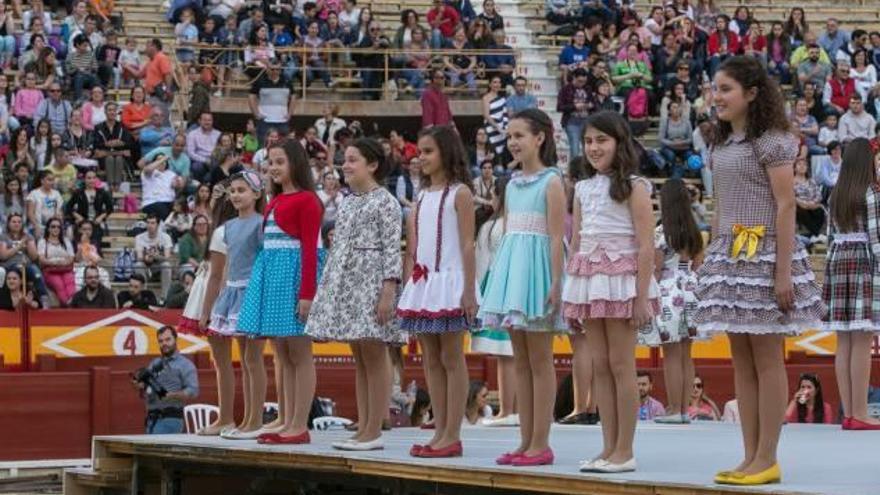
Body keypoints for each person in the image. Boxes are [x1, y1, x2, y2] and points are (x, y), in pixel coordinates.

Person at [693, 56, 824, 486]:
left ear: (751, 93)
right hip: (732, 254)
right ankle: (749, 455)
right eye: (715, 88)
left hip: (764, 252)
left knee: (767, 360)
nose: (717, 97)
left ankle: (767, 456)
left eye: (726, 89)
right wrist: (713, 255)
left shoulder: (772, 142)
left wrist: (782, 272)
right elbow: (720, 207)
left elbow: (786, 205)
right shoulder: (721, 142)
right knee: (741, 361)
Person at [562, 110, 659, 474]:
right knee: (600, 365)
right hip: (591, 279)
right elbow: (578, 243)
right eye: (588, 141)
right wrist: (573, 291)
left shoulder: (635, 186)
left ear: (619, 142)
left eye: (601, 140)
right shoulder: (583, 189)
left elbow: (646, 245)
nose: (593, 147)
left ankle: (625, 450)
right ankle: (607, 447)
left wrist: (639, 296)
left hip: (622, 281)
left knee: (621, 365)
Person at [479, 109, 566, 467]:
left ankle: (540, 442)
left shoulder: (553, 182)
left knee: (540, 360)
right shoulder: (512, 185)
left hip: (538, 273)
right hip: (512, 271)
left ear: (539, 138)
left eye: (520, 136)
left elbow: (557, 236)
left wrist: (556, 282)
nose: (513, 142)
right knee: (521, 361)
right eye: (510, 136)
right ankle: (525, 440)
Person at [307, 138, 405, 451]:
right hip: (348, 285)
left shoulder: (386, 201)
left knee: (375, 357)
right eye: (344, 160)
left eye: (352, 160)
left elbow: (393, 249)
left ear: (372, 164)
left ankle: (374, 430)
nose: (345, 165)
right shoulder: (347, 202)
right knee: (360, 359)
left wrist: (388, 291)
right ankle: (364, 425)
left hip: (373, 285)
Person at [238, 140, 325, 446]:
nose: (273, 168)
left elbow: (310, 252)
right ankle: (287, 419)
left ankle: (300, 424)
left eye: (279, 162)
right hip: (274, 280)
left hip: (294, 281)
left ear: (296, 164)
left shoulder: (308, 201)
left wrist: (307, 294)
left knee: (300, 354)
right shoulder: (273, 201)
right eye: (270, 162)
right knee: (283, 355)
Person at [397, 125, 476, 460]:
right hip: (425, 283)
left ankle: (452, 434)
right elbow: (415, 248)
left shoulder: (460, 193)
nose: (421, 158)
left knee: (451, 357)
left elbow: (467, 245)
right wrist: (409, 285)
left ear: (446, 152)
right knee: (430, 358)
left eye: (428, 151)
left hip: (452, 281)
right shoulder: (421, 196)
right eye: (420, 152)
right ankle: (440, 427)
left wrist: (469, 290)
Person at [203, 171, 268, 439]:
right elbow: (223, 269)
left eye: (242, 190)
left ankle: (254, 420)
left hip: (253, 292)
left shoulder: (261, 224)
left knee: (253, 358)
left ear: (256, 193)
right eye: (233, 191)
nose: (236, 195)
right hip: (233, 294)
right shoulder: (227, 228)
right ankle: (246, 421)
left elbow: (264, 261)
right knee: (244, 358)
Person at [636, 179, 704, 424]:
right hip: (690, 288)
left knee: (672, 353)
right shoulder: (695, 232)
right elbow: (698, 266)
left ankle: (674, 408)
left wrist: (643, 294)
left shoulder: (660, 232)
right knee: (687, 353)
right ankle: (685, 410)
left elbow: (656, 268)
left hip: (669, 288)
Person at [825, 138, 880, 430]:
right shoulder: (870, 194)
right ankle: (859, 412)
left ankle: (849, 412)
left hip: (838, 260)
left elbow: (829, 235)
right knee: (862, 339)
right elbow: (877, 241)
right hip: (862, 262)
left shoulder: (836, 194)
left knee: (844, 340)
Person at [470, 179, 517, 427]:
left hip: (498, 290)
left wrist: (478, 299)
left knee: (505, 355)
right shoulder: (520, 224)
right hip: (519, 289)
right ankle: (515, 409)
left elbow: (481, 265)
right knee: (518, 354)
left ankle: (507, 410)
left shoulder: (490, 227)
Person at [135, 326, 199, 434]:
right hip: (151, 419)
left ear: (175, 339)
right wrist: (140, 385)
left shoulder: (185, 364)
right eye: (161, 341)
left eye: (168, 339)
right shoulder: (154, 363)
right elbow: (146, 388)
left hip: (171, 418)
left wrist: (171, 395)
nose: (164, 343)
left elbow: (193, 391)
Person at [249, 60, 294, 144]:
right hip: (265, 121)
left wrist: (290, 113)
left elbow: (293, 97)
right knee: (263, 146)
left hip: (282, 121)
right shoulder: (260, 81)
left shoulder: (287, 81)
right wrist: (256, 113)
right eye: (272, 69)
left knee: (283, 146)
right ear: (267, 69)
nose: (275, 72)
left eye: (277, 69)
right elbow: (251, 96)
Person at [93, 101, 133, 189]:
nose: (112, 112)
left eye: (114, 110)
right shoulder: (98, 127)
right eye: (109, 110)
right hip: (104, 160)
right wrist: (116, 146)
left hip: (120, 159)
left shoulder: (122, 126)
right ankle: (110, 185)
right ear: (105, 112)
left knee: (118, 159)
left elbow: (128, 145)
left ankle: (117, 185)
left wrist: (106, 147)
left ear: (116, 112)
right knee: (110, 158)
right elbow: (97, 145)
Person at [38, 217, 76, 307]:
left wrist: (64, 263)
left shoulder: (66, 241)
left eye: (58, 227)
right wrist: (55, 263)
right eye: (53, 226)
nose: (56, 229)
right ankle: (68, 305)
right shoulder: (43, 242)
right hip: (50, 270)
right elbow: (41, 258)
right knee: (58, 284)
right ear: (48, 228)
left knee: (69, 282)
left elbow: (71, 257)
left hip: (65, 268)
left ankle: (73, 303)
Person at [134, 214, 174, 296]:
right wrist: (146, 258)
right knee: (138, 265)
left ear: (158, 225)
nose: (149, 225)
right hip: (146, 269)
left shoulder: (166, 237)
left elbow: (167, 258)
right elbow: (139, 257)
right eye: (148, 223)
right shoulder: (139, 237)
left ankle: (165, 297)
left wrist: (156, 256)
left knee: (166, 265)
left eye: (152, 223)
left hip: (159, 269)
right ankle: (143, 295)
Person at [140, 147, 184, 221]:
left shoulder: (171, 174)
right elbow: (148, 169)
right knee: (162, 209)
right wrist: (163, 159)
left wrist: (177, 184)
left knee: (179, 208)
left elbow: (180, 185)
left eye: (164, 161)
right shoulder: (149, 173)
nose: (162, 162)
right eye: (158, 160)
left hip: (170, 202)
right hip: (153, 202)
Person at [557, 68, 591, 159]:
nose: (582, 84)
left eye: (584, 81)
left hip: (586, 120)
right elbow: (559, 107)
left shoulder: (587, 88)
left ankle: (586, 170)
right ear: (574, 78)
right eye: (580, 81)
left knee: (587, 149)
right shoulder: (566, 89)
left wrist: (590, 105)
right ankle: (573, 171)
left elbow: (593, 103)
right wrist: (575, 107)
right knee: (574, 148)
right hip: (571, 121)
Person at [794, 157, 825, 242]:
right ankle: (817, 234)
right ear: (794, 167)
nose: (802, 166)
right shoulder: (791, 182)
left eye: (804, 165)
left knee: (820, 211)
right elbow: (793, 197)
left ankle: (813, 235)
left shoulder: (811, 181)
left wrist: (812, 203)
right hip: (800, 206)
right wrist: (804, 204)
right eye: (799, 164)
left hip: (812, 205)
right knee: (800, 211)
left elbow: (819, 195)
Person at [26, 170, 64, 238]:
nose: (52, 182)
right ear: (42, 181)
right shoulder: (34, 194)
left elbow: (59, 211)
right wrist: (36, 226)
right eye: (49, 180)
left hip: (53, 225)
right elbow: (30, 213)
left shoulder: (56, 193)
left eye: (53, 180)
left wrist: (59, 219)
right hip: (38, 225)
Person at [186, 112, 221, 183]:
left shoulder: (218, 134)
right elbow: (191, 153)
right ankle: (200, 186)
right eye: (205, 120)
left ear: (212, 121)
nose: (207, 122)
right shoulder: (192, 134)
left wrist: (214, 159)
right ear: (199, 121)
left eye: (209, 120)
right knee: (197, 167)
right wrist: (205, 160)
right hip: (200, 161)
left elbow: (221, 150)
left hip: (215, 160)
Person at [482, 76, 508, 158]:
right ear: (490, 84)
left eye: (499, 82)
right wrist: (497, 127)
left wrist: (504, 128)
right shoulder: (486, 98)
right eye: (495, 82)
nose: (497, 84)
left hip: (502, 128)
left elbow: (505, 114)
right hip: (491, 128)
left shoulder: (503, 99)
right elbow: (486, 115)